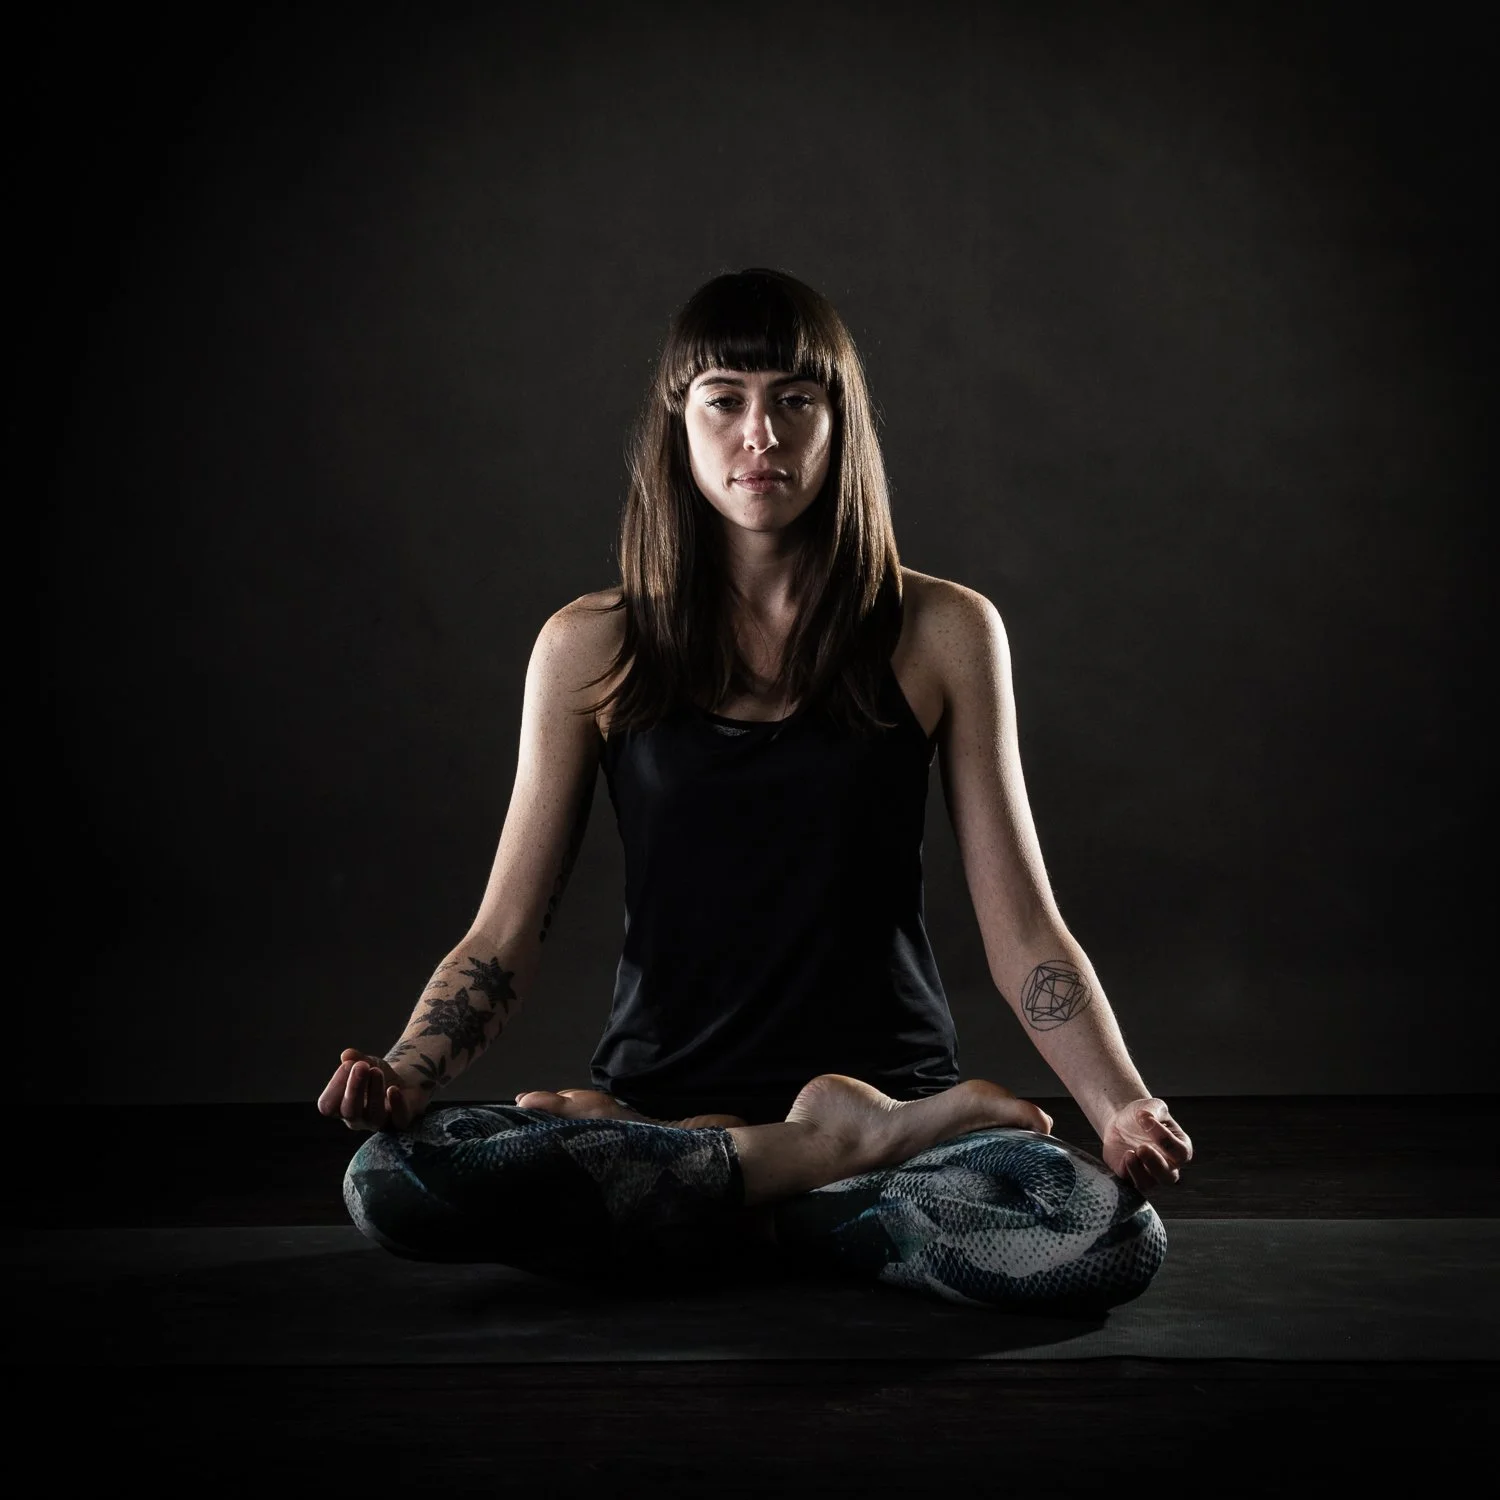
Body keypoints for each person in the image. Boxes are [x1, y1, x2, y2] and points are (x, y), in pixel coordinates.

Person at [317, 267, 1193, 1312]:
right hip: (657, 1107)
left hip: (890, 1109)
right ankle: (810, 1169)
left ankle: (723, 1188)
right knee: (390, 1179)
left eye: (795, 399)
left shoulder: (944, 633)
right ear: (678, 424)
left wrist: (1125, 1104)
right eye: (724, 399)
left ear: (839, 422)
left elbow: (1027, 938)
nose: (760, 434)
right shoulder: (589, 647)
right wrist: (410, 1069)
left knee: (1101, 1237)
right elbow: (503, 935)